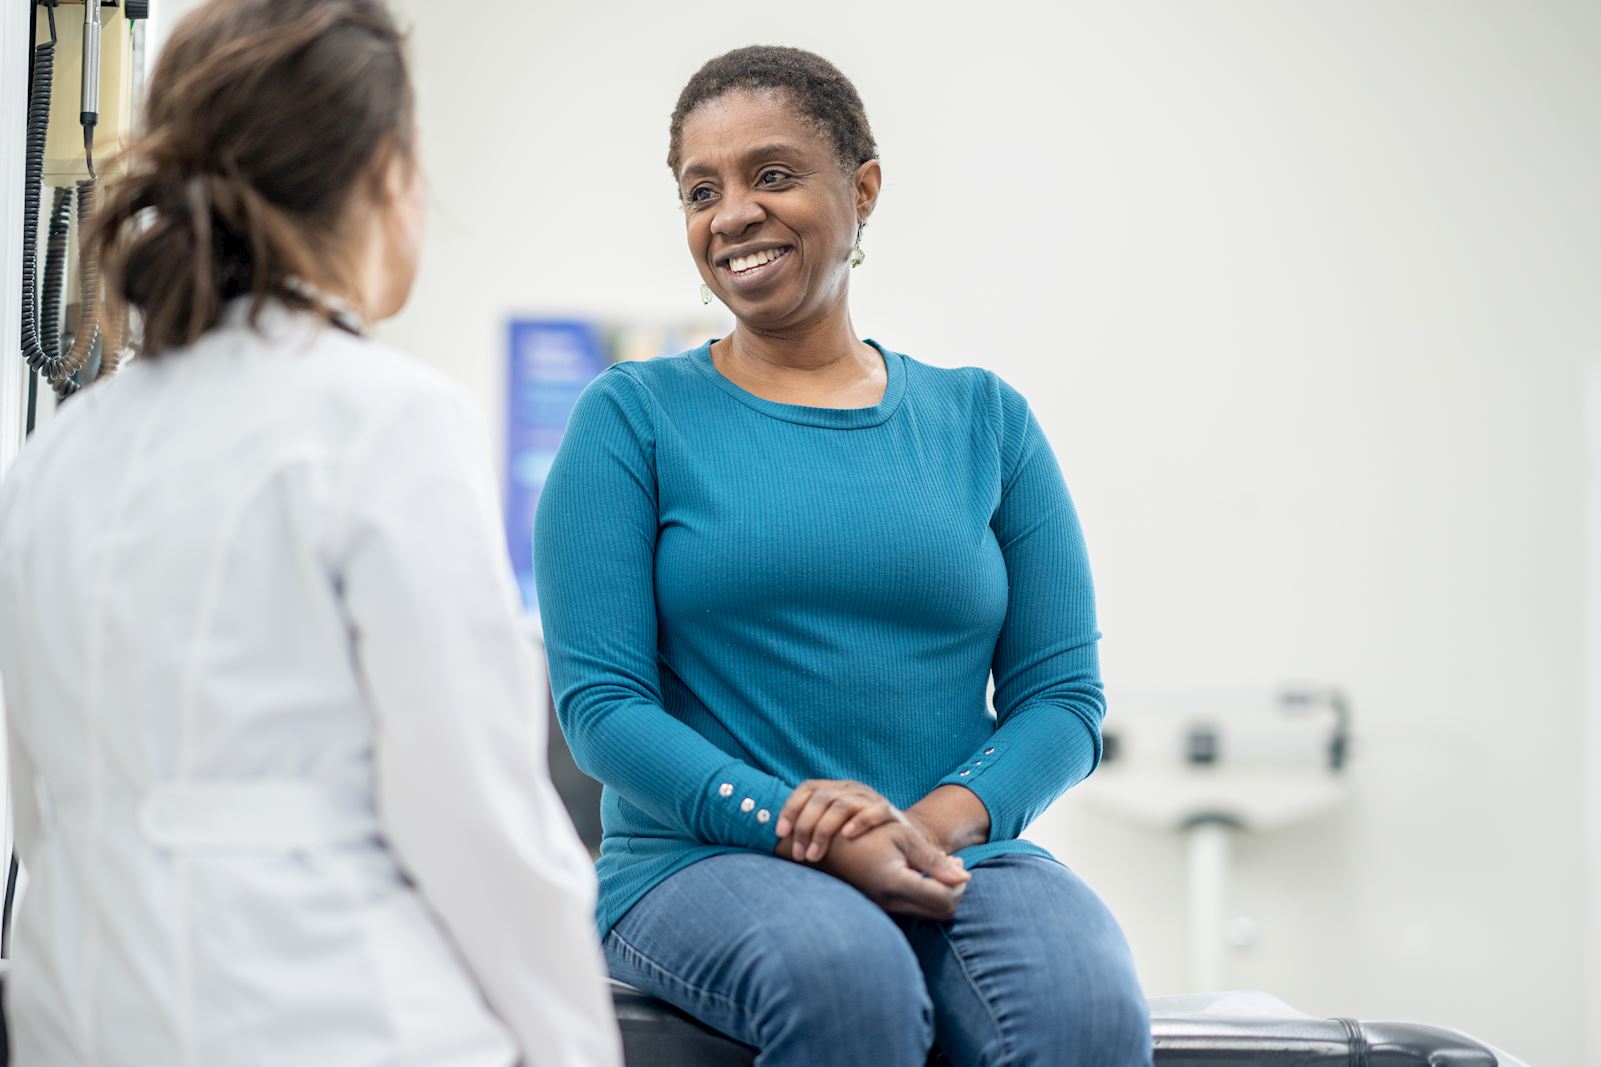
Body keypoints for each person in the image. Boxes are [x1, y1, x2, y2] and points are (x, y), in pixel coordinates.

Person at [0, 2, 621, 1064]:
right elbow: (480, 828)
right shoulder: (387, 422)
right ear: (386, 172)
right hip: (341, 1024)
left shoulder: (55, 457)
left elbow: (47, 811)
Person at [535, 44, 1151, 1067]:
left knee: (1083, 1005)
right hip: (703, 858)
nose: (731, 211)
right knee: (844, 975)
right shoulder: (631, 420)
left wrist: (926, 825)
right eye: (701, 189)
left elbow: (1061, 697)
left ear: (860, 189)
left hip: (956, 850)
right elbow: (601, 710)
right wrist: (797, 825)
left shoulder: (983, 421)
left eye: (770, 174)